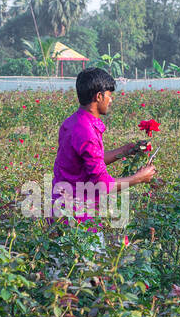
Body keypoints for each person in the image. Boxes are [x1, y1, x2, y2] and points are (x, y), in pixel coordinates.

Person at [49, 67, 156, 231]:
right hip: (78, 220)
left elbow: (87, 162)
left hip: (63, 210)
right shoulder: (87, 132)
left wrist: (127, 150)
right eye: (109, 95)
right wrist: (139, 178)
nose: (110, 100)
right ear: (98, 96)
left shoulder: (72, 122)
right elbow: (103, 185)